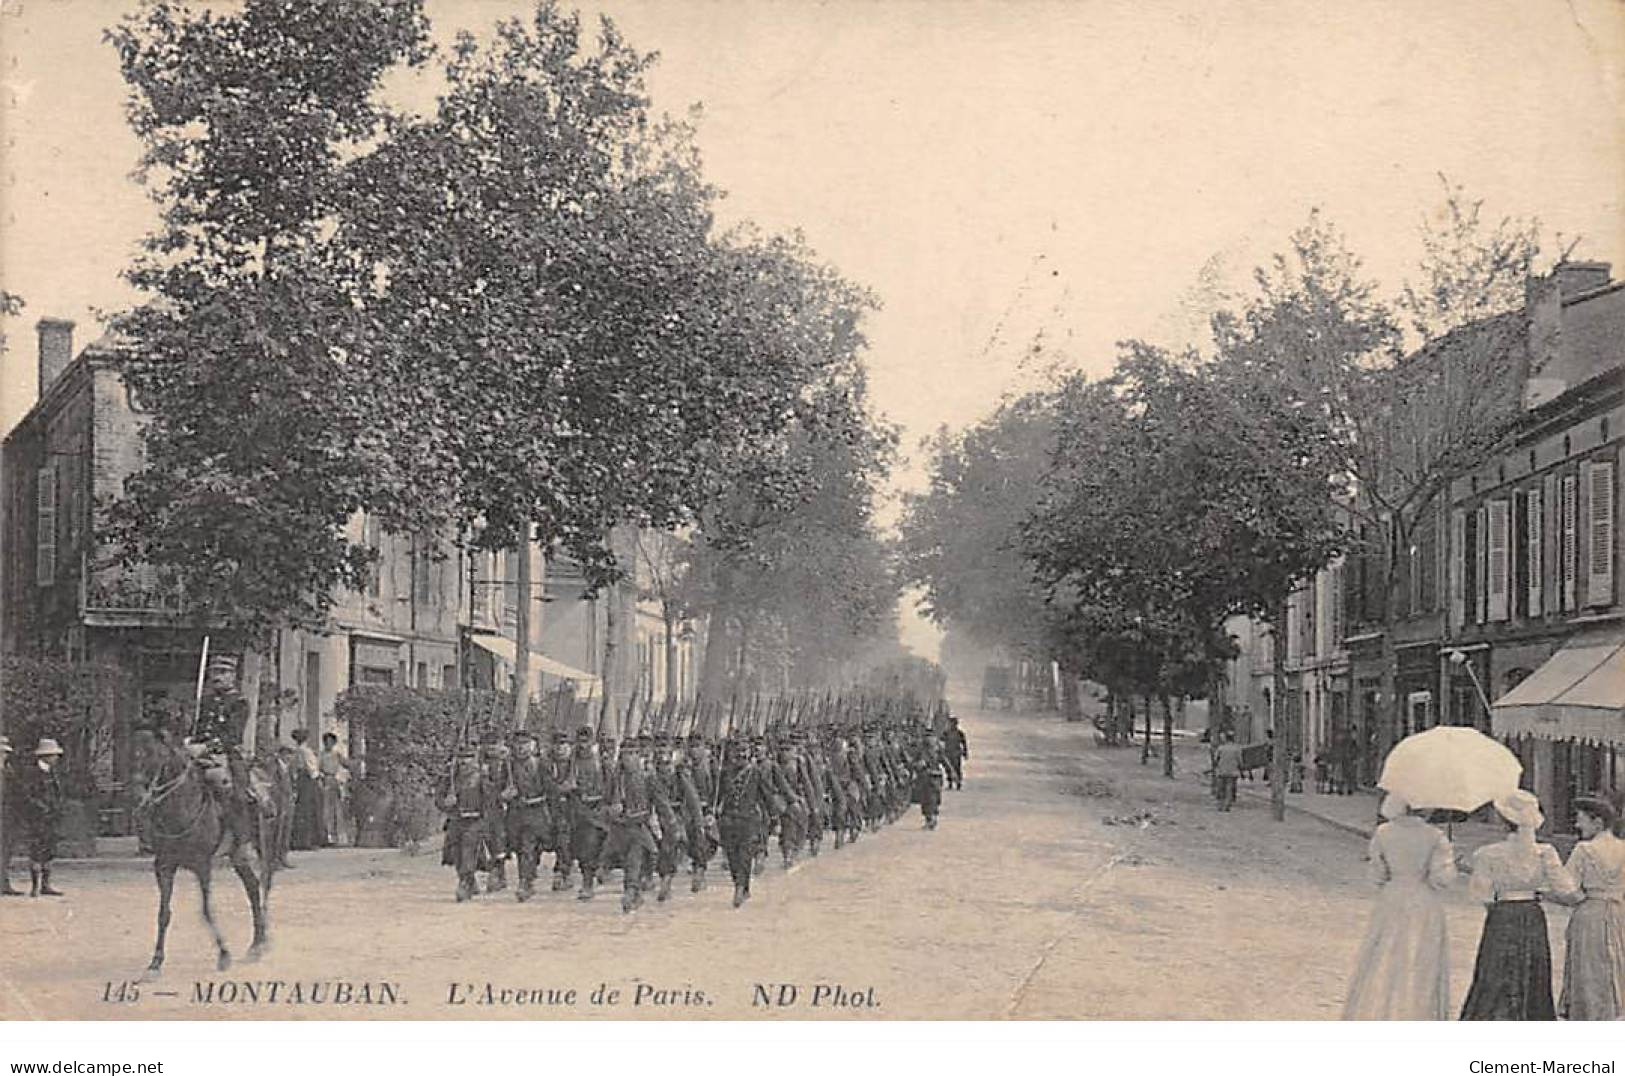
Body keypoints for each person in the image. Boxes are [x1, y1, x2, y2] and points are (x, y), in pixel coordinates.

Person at [1459, 789, 1576, 1020]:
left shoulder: (1488, 854)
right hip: (1532, 912)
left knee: (1495, 966)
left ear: (1504, 822)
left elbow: (1480, 894)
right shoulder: (1544, 853)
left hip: (1501, 912)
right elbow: (1565, 887)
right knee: (1533, 965)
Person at [1341, 794, 1457, 1019]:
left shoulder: (1384, 833)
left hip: (1392, 898)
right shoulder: (1435, 837)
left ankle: (1380, 1008)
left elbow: (1376, 875)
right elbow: (1440, 879)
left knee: (1385, 952)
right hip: (1423, 901)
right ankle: (1418, 1011)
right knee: (1421, 956)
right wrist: (1450, 864)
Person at [1551, 796, 1625, 1020]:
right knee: (1616, 964)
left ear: (1598, 823)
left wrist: (1548, 893)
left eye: (1581, 820)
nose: (1577, 825)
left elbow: (1567, 888)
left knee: (1589, 969)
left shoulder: (1584, 849)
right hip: (1619, 914)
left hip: (1590, 913)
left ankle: (1589, 1016)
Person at [15, 738, 66, 897]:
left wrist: (57, 808)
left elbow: (58, 794)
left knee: (49, 850)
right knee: (36, 850)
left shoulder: (54, 773)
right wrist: (40, 807)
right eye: (53, 755)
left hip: (52, 817)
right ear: (46, 756)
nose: (56, 758)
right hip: (37, 818)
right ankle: (35, 886)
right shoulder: (32, 773)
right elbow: (26, 795)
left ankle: (46, 884)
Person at [289, 728, 320, 850]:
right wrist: (316, 776)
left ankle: (302, 840)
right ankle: (304, 841)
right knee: (306, 810)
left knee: (304, 810)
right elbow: (310, 768)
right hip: (307, 780)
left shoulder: (298, 751)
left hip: (303, 779)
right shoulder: (304, 751)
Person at [318, 731, 350, 848]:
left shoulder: (337, 754)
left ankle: (339, 837)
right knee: (326, 809)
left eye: (331, 742)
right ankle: (327, 836)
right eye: (326, 742)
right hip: (326, 780)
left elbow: (346, 764)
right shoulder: (321, 755)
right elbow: (318, 768)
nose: (328, 744)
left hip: (335, 780)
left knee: (337, 808)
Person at [0, 734, 19, 896]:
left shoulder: (9, 771)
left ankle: (4, 882)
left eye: (5, 753)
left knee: (6, 850)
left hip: (7, 815)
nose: (3, 756)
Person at [1212, 731, 1243, 812]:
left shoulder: (1221, 748)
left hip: (1222, 771)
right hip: (1232, 771)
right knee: (1229, 789)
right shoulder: (1237, 748)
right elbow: (1240, 761)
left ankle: (1220, 805)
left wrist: (1217, 767)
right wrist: (1241, 769)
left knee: (1221, 789)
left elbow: (1215, 759)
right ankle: (1227, 805)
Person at [941, 717, 968, 791]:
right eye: (950, 723)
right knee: (948, 768)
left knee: (957, 768)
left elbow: (964, 743)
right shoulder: (946, 732)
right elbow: (941, 740)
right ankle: (950, 783)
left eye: (953, 724)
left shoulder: (960, 733)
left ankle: (958, 783)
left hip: (956, 753)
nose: (951, 725)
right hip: (948, 753)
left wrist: (965, 753)